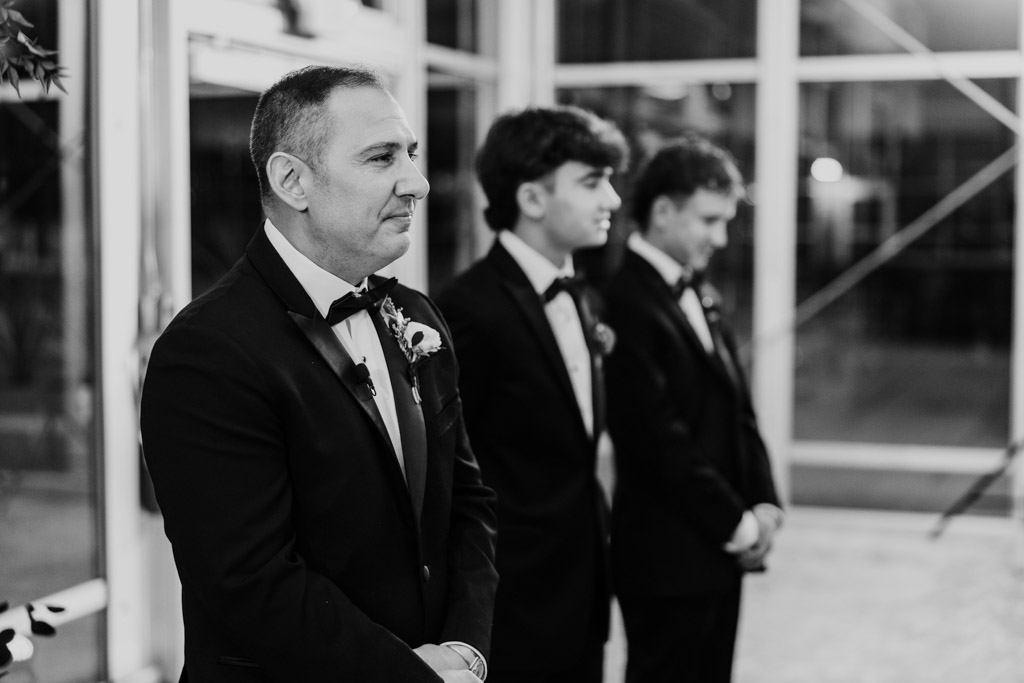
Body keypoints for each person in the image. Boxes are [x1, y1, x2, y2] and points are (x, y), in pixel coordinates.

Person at [140, 65, 498, 682]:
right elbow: (249, 582)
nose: (417, 182)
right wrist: (410, 674)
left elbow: (466, 504)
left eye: (410, 154)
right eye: (382, 157)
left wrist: (466, 650)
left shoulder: (414, 315)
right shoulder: (209, 350)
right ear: (291, 180)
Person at [437, 105, 628, 683]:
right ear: (532, 199)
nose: (613, 201)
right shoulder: (468, 310)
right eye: (593, 182)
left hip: (583, 584)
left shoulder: (582, 294)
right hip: (513, 599)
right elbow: (448, 475)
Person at [603, 135, 784, 683]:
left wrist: (766, 501)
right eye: (709, 220)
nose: (721, 238)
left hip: (719, 547)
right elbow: (655, 438)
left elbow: (738, 409)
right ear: (662, 211)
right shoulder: (622, 302)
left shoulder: (701, 292)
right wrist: (739, 523)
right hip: (666, 555)